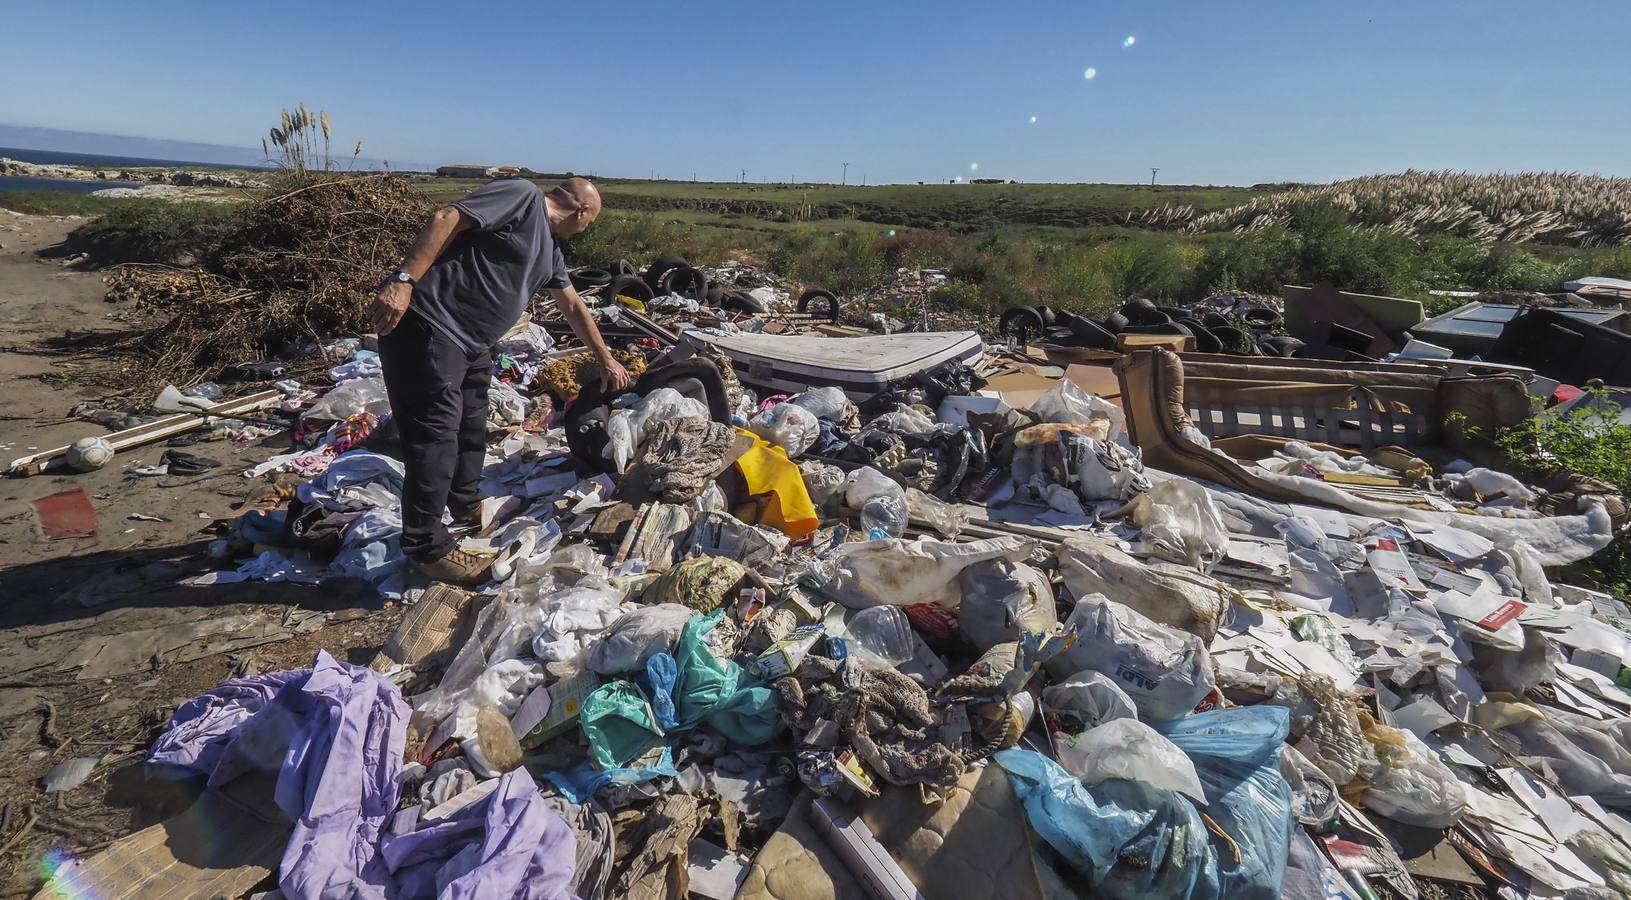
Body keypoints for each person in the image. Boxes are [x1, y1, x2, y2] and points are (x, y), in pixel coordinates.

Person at [370, 176, 631, 585]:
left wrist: (605, 357)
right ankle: (426, 548)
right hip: (429, 326)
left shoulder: (550, 252)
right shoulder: (523, 197)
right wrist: (403, 282)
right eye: (589, 221)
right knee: (435, 436)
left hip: (472, 345)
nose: (586, 229)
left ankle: (467, 505)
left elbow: (573, 304)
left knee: (470, 425)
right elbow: (446, 217)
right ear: (582, 212)